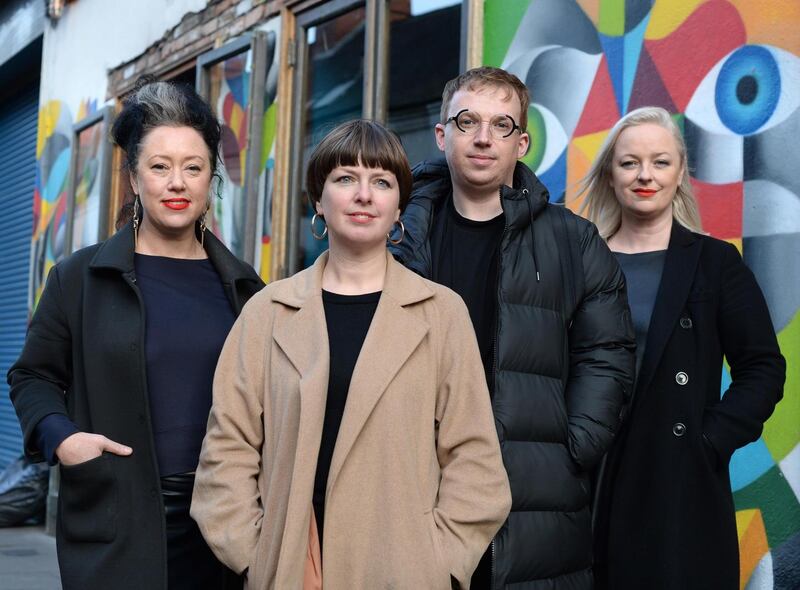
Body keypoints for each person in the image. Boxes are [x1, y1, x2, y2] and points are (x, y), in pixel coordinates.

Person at [191, 119, 511, 589]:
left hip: (402, 572)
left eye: (381, 182)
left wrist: (434, 561)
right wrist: (258, 555)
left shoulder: (441, 314)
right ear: (318, 201)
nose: (364, 195)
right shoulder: (268, 312)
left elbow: (475, 461)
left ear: (399, 205)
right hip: (292, 568)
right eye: (345, 179)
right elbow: (227, 449)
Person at [8, 80, 264, 590]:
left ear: (211, 177)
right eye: (159, 166)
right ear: (133, 178)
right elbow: (32, 376)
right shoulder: (79, 278)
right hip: (116, 518)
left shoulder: (244, 287)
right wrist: (64, 439)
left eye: (193, 167)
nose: (177, 183)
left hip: (224, 525)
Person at [389, 66, 636, 589]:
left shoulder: (574, 241)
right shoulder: (396, 234)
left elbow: (608, 352)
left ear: (521, 142)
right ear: (441, 134)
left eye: (502, 125)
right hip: (407, 480)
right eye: (467, 121)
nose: (483, 138)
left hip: (532, 492)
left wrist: (572, 448)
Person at [581, 106, 786, 589]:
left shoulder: (715, 263)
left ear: (680, 173)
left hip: (678, 479)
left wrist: (709, 440)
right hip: (594, 474)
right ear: (610, 173)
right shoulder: (582, 260)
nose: (644, 175)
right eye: (629, 162)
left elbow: (762, 367)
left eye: (660, 162)